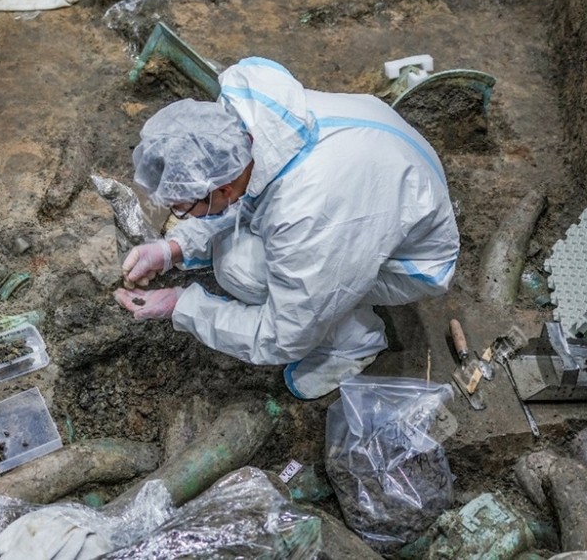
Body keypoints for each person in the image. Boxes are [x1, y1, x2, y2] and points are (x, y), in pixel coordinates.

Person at [113, 57, 460, 399]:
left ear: (221, 190)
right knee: (243, 247)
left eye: (184, 208)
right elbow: (247, 193)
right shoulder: (246, 124)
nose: (182, 215)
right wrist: (174, 249)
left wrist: (183, 306)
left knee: (238, 269)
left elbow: (284, 334)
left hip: (412, 260)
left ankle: (353, 342)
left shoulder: (308, 213)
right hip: (383, 178)